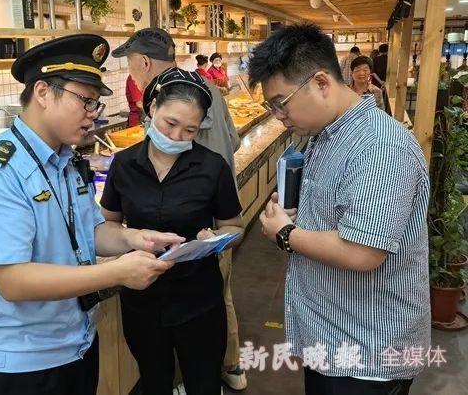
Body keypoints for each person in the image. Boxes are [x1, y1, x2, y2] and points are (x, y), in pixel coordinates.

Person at [0, 34, 184, 395]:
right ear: (43, 92)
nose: (94, 115)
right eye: (86, 102)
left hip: (76, 346)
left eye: (96, 104)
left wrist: (132, 238)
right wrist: (116, 273)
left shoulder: (64, 161)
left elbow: (89, 231)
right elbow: (13, 281)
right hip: (24, 364)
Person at [249, 24, 430, 395]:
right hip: (334, 339)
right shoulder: (326, 133)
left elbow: (362, 252)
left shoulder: (380, 147)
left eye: (281, 102)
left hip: (366, 355)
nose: (279, 115)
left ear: (320, 82)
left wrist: (286, 233)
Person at [111, 28, 246, 391]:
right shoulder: (124, 165)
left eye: (189, 130)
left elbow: (235, 224)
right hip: (142, 300)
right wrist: (128, 239)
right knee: (154, 380)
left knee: (202, 381)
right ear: (152, 107)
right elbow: (107, 226)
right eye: (169, 124)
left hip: (198, 300)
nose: (175, 137)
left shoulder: (211, 166)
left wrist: (217, 238)